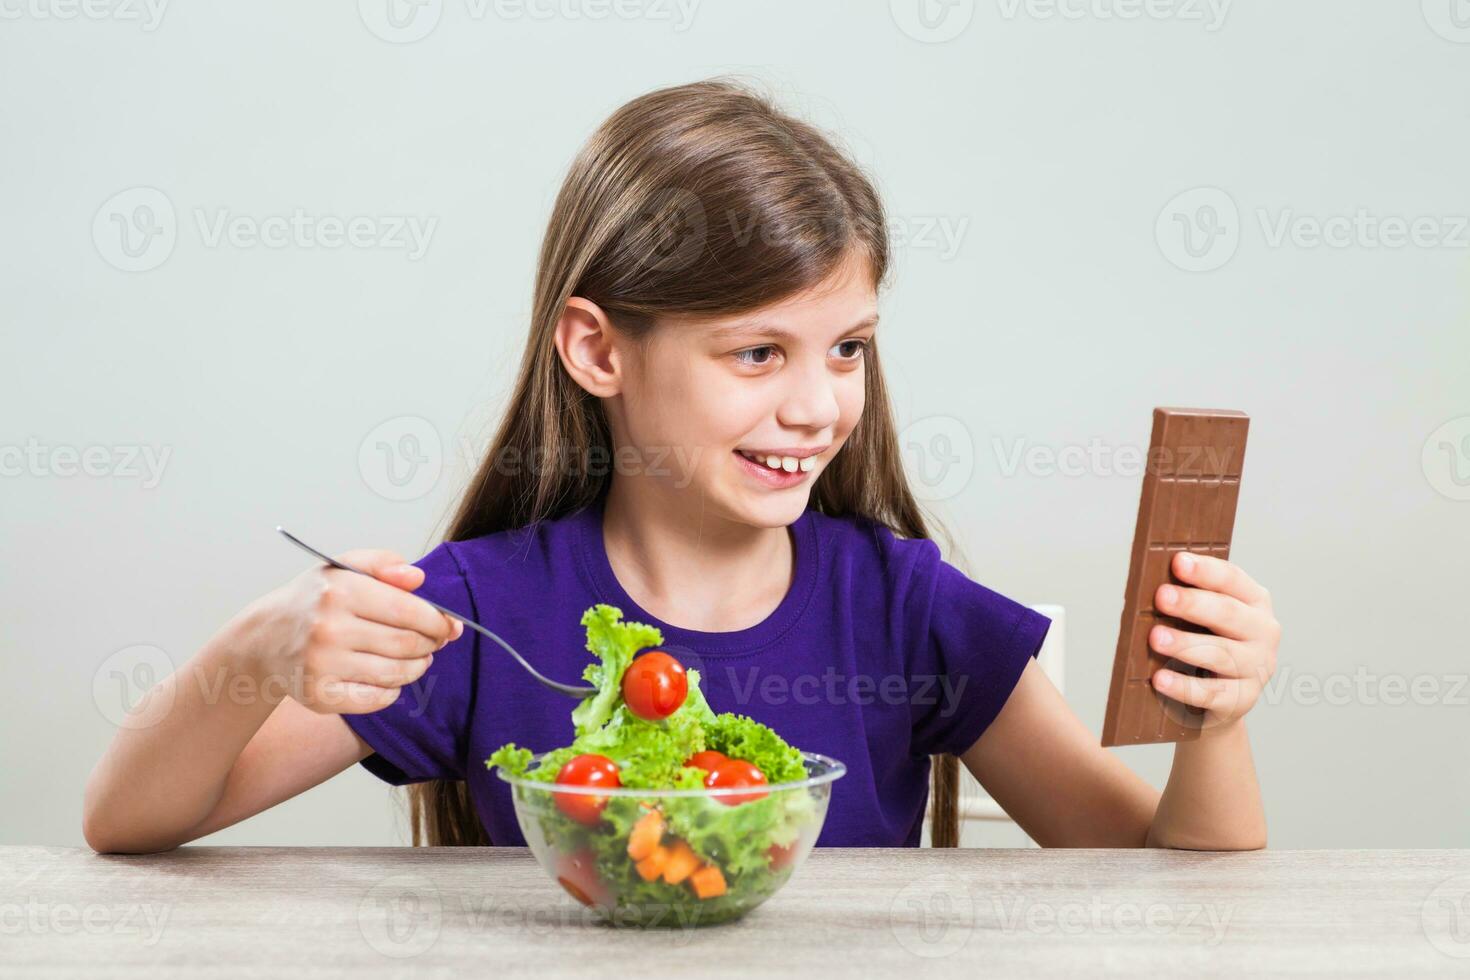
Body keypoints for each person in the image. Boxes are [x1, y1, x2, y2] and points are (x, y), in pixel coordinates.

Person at [83, 78, 1280, 855]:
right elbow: (130, 821)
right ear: (599, 348)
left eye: (847, 348)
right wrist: (256, 649)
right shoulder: (474, 613)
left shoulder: (905, 607)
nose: (818, 406)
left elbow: (1169, 876)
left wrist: (1214, 727)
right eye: (758, 351)